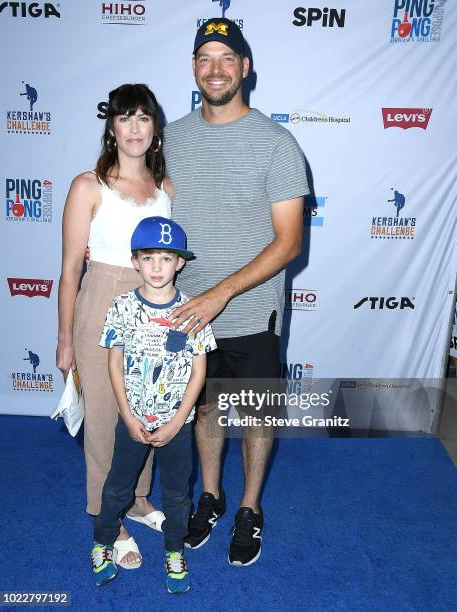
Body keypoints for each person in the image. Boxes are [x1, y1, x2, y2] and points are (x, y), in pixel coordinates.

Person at [164, 18, 309, 566]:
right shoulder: (171, 139)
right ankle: (212, 495)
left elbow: (289, 242)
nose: (216, 68)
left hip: (249, 309)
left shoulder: (277, 143)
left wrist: (221, 293)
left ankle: (249, 507)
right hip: (187, 312)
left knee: (254, 415)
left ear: (245, 68)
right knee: (204, 412)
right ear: (195, 69)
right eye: (206, 58)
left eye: (228, 58)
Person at [57, 84, 170, 568]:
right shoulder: (88, 185)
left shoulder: (167, 189)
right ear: (112, 126)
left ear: (155, 129)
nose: (134, 128)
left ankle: (138, 498)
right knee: (104, 417)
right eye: (126, 118)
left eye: (143, 118)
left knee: (148, 406)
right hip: (102, 301)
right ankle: (110, 516)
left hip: (155, 306)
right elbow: (69, 270)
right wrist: (64, 339)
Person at [91, 216, 216, 592]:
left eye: (166, 258)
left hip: (176, 426)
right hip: (132, 422)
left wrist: (179, 422)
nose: (157, 267)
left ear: (180, 262)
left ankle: (174, 550)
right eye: (148, 258)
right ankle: (102, 541)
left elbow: (198, 371)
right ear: (135, 262)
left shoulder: (193, 311)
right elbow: (114, 362)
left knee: (178, 494)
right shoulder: (122, 307)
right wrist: (128, 417)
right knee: (117, 488)